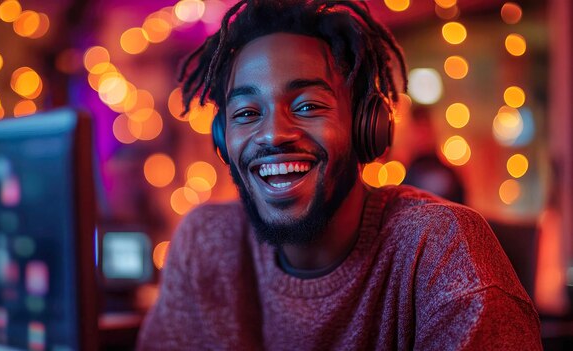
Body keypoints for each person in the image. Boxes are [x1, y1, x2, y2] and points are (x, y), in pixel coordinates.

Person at [138, 1, 541, 349]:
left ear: (369, 125)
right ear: (224, 140)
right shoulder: (204, 244)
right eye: (246, 113)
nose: (274, 133)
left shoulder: (438, 249)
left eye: (308, 106)